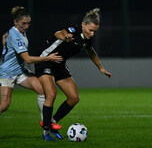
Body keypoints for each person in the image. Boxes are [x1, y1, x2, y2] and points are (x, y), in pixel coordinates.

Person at [0, 6, 63, 140]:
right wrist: (48, 58)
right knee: (4, 105)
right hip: (7, 73)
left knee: (42, 90)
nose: (27, 26)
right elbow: (28, 59)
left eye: (29, 23)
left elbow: (4, 35)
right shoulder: (16, 35)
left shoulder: (17, 31)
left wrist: (5, 43)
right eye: (24, 23)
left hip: (21, 71)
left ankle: (46, 125)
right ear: (15, 22)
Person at [35, 8, 113, 141]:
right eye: (90, 30)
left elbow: (90, 51)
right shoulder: (73, 31)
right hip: (45, 61)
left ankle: (52, 121)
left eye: (95, 31)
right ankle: (46, 132)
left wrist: (100, 67)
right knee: (51, 94)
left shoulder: (87, 39)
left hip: (60, 64)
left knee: (74, 97)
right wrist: (65, 37)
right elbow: (59, 33)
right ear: (83, 24)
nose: (92, 33)